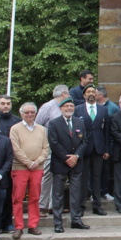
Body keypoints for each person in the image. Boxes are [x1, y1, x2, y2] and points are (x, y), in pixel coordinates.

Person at [48, 98, 90, 232]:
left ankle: (76, 219)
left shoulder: (79, 122)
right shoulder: (54, 123)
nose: (69, 108)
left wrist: (76, 156)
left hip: (76, 163)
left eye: (71, 106)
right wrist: (67, 158)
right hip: (60, 163)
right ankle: (58, 222)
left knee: (76, 193)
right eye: (66, 106)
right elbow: (54, 143)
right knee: (58, 194)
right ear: (61, 108)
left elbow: (84, 141)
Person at [9, 102, 50, 239]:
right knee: (18, 198)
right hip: (20, 168)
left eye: (32, 112)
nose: (30, 115)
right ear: (21, 114)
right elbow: (16, 149)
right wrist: (28, 162)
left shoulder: (42, 129)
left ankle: (33, 225)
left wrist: (36, 162)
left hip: (37, 168)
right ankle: (18, 226)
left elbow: (46, 148)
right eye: (27, 112)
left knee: (35, 197)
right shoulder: (15, 129)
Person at [75, 84, 110, 217]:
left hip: (98, 149)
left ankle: (97, 205)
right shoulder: (78, 110)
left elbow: (106, 132)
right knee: (83, 179)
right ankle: (81, 206)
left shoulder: (103, 110)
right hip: (83, 149)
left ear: (96, 95)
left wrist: (106, 149)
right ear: (84, 95)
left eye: (93, 92)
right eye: (88, 92)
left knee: (97, 178)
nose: (91, 94)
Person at [35, 85, 70, 217]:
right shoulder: (48, 107)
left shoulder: (65, 107)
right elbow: (38, 126)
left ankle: (53, 205)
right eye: (68, 94)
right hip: (49, 147)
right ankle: (42, 205)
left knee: (59, 176)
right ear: (63, 94)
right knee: (47, 176)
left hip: (62, 148)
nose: (69, 97)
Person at [0, 94, 21, 234]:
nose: (6, 106)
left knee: (10, 194)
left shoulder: (17, 122)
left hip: (13, 164)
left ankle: (8, 222)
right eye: (3, 103)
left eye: (8, 104)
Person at [95, 85, 118, 201]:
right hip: (95, 143)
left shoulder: (113, 108)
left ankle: (104, 191)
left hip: (107, 143)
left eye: (94, 93)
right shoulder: (92, 107)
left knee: (105, 170)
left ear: (100, 95)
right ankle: (94, 192)